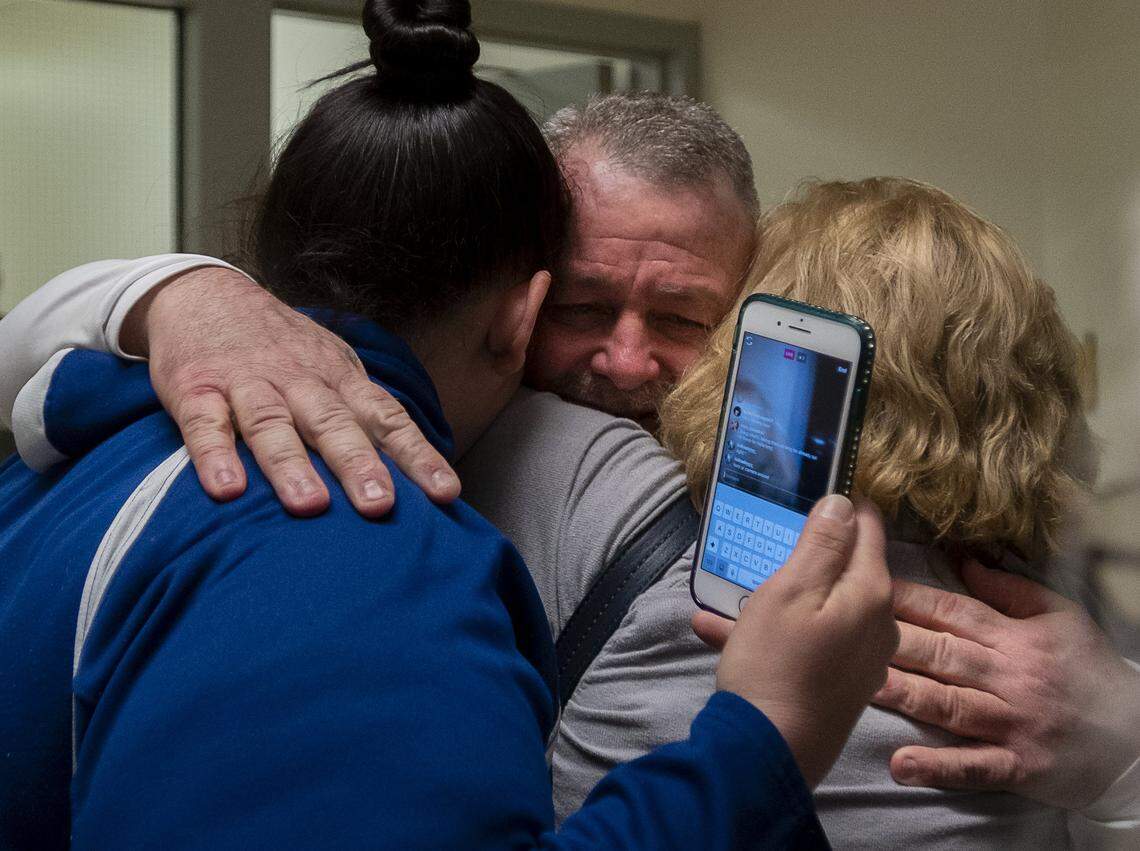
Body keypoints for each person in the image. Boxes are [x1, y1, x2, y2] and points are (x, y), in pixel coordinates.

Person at [2, 85, 1137, 838]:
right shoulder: (396, 462)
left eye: (686, 318)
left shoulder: (931, 538)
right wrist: (176, 292)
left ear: (752, 316)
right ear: (514, 292)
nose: (626, 361)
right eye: (585, 304)